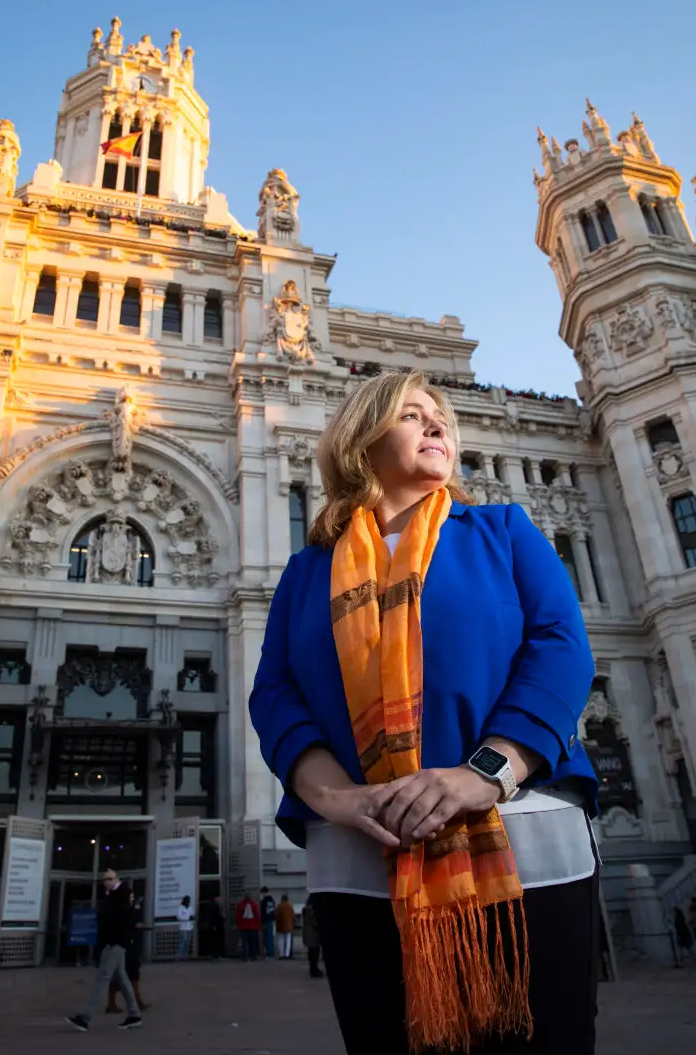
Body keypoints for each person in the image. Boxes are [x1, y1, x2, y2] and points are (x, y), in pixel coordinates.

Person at [250, 371, 600, 1055]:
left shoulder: (502, 530)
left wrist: (481, 775)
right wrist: (338, 797)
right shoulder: (306, 574)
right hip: (362, 856)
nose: (438, 425)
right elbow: (276, 695)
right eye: (413, 415)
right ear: (360, 442)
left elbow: (562, 648)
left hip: (520, 839)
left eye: (440, 416)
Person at [65, 867, 142, 1031]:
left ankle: (85, 1017)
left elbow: (121, 917)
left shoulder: (123, 893)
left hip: (117, 941)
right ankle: (134, 1013)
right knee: (121, 977)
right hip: (112, 941)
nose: (106, 882)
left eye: (109, 879)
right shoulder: (112, 895)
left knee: (103, 977)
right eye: (104, 879)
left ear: (116, 879)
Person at [108, 891, 150, 1014]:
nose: (132, 900)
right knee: (131, 973)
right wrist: (134, 925)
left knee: (124, 974)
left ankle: (113, 1002)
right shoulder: (121, 912)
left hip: (126, 945)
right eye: (130, 897)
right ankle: (136, 1000)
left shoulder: (126, 910)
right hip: (126, 945)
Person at [302, 896, 324, 979]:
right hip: (313, 934)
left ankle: (312, 969)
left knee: (311, 952)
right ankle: (314, 970)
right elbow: (315, 922)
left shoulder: (305, 909)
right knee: (315, 952)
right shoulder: (312, 910)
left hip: (308, 933)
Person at [235, 893, 260, 962]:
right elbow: (257, 915)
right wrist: (258, 924)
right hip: (253, 926)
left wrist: (238, 924)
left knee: (244, 943)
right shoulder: (254, 905)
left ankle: (245, 956)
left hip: (243, 926)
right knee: (252, 943)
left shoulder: (240, 905)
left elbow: (238, 916)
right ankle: (252, 956)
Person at [275, 894, 295, 960]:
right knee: (288, 940)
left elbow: (276, 916)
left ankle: (281, 954)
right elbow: (293, 916)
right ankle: (287, 954)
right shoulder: (290, 907)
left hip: (281, 925)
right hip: (289, 926)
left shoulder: (279, 906)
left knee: (281, 940)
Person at [260, 887, 276, 958]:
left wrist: (262, 921)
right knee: (270, 937)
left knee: (267, 938)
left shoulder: (264, 901)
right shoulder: (272, 900)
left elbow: (263, 912)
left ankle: (269, 953)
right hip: (271, 920)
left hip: (266, 920)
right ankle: (271, 952)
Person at [176, 895, 194, 960]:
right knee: (183, 942)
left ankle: (185, 955)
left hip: (189, 927)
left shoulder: (190, 908)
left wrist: (191, 918)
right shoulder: (180, 908)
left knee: (187, 942)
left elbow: (191, 915)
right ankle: (179, 956)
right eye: (188, 901)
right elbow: (179, 917)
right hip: (183, 927)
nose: (189, 902)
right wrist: (187, 918)